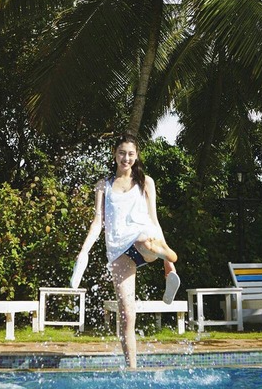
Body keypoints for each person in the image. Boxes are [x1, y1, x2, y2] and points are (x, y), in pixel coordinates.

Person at [75, 133, 179, 369]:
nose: (126, 158)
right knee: (126, 314)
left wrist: (169, 266)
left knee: (144, 241)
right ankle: (132, 368)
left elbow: (154, 219)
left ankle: (166, 257)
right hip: (118, 249)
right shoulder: (103, 185)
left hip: (142, 238)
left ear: (137, 155)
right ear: (114, 154)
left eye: (131, 154)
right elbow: (97, 222)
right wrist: (84, 251)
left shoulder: (145, 182)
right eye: (122, 153)